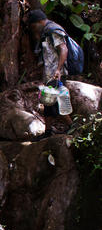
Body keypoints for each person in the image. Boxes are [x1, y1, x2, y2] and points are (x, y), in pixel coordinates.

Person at [27, 9, 73, 137]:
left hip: (56, 73)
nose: (34, 29)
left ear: (39, 21)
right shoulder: (46, 31)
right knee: (47, 102)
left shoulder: (53, 30)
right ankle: (48, 131)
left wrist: (58, 69)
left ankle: (73, 126)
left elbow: (63, 49)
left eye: (34, 26)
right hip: (49, 74)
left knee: (56, 102)